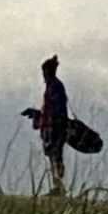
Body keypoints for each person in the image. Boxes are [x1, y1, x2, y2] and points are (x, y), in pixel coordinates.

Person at [23, 55, 70, 195]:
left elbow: (57, 109)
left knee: (56, 156)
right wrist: (36, 114)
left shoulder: (55, 87)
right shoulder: (52, 87)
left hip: (56, 128)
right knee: (53, 157)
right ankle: (57, 186)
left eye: (45, 72)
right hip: (51, 128)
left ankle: (59, 187)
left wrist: (52, 123)